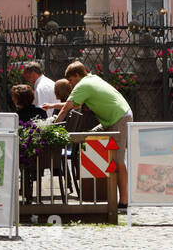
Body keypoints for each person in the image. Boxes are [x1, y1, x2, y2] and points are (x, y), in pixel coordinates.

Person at [48, 61, 133, 208]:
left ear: (76, 75)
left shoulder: (82, 85)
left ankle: (124, 201)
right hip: (114, 117)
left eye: (71, 80)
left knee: (118, 160)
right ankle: (98, 189)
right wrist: (52, 106)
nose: (70, 84)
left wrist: (53, 128)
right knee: (88, 141)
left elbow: (66, 109)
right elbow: (74, 104)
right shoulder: (92, 79)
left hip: (119, 117)